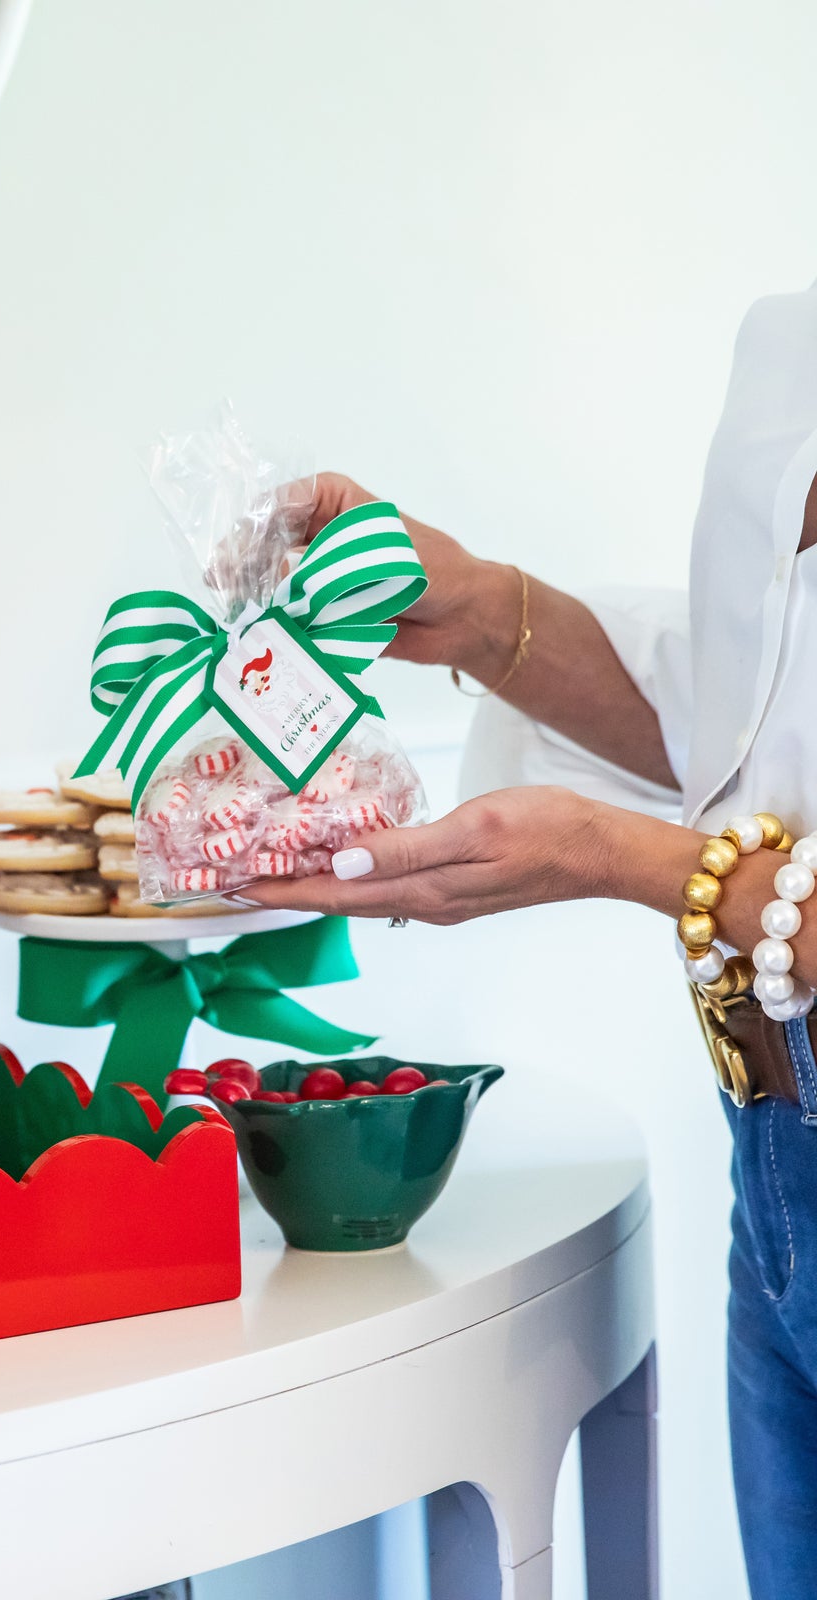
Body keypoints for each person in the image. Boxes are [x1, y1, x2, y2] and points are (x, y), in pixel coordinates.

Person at [239, 283, 817, 1598]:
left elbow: (705, 832)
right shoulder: (790, 340)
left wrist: (615, 858)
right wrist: (495, 618)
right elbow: (744, 739)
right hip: (779, 1164)